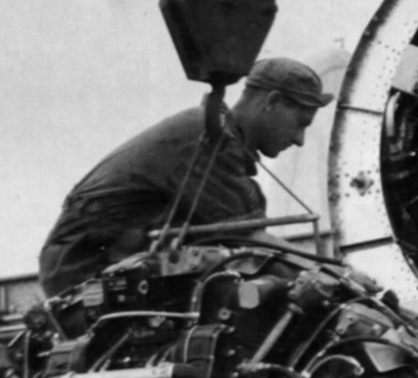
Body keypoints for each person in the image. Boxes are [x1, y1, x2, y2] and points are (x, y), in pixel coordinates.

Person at [38, 52, 340, 302]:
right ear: (271, 102)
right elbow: (252, 242)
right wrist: (336, 277)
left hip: (102, 270)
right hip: (85, 274)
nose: (300, 139)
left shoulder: (217, 141)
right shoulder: (207, 141)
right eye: (300, 123)